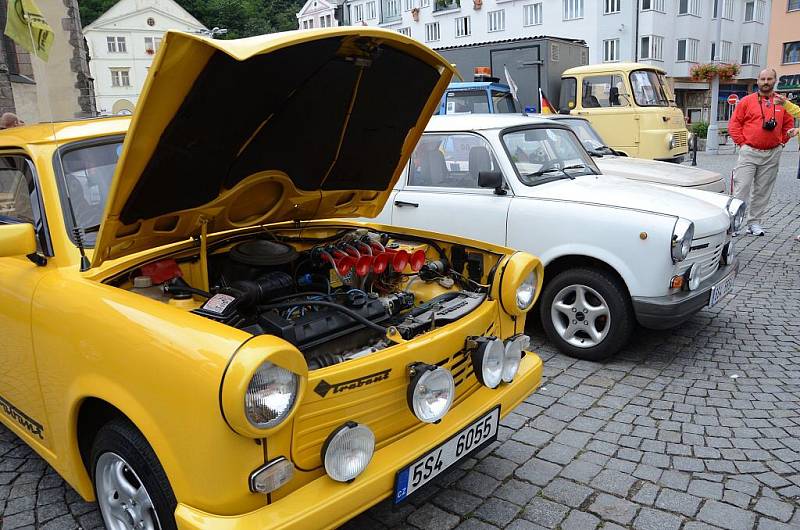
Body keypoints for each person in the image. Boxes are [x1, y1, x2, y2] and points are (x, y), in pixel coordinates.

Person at [728, 69, 797, 236]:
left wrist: (781, 142)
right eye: (763, 79)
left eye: (769, 79)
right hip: (749, 151)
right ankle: (733, 224)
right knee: (741, 188)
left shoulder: (782, 102)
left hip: (772, 153)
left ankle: (754, 223)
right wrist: (742, 143)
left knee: (763, 190)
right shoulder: (746, 101)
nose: (766, 82)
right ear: (758, 81)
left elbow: (789, 125)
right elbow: (734, 124)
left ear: (775, 81)